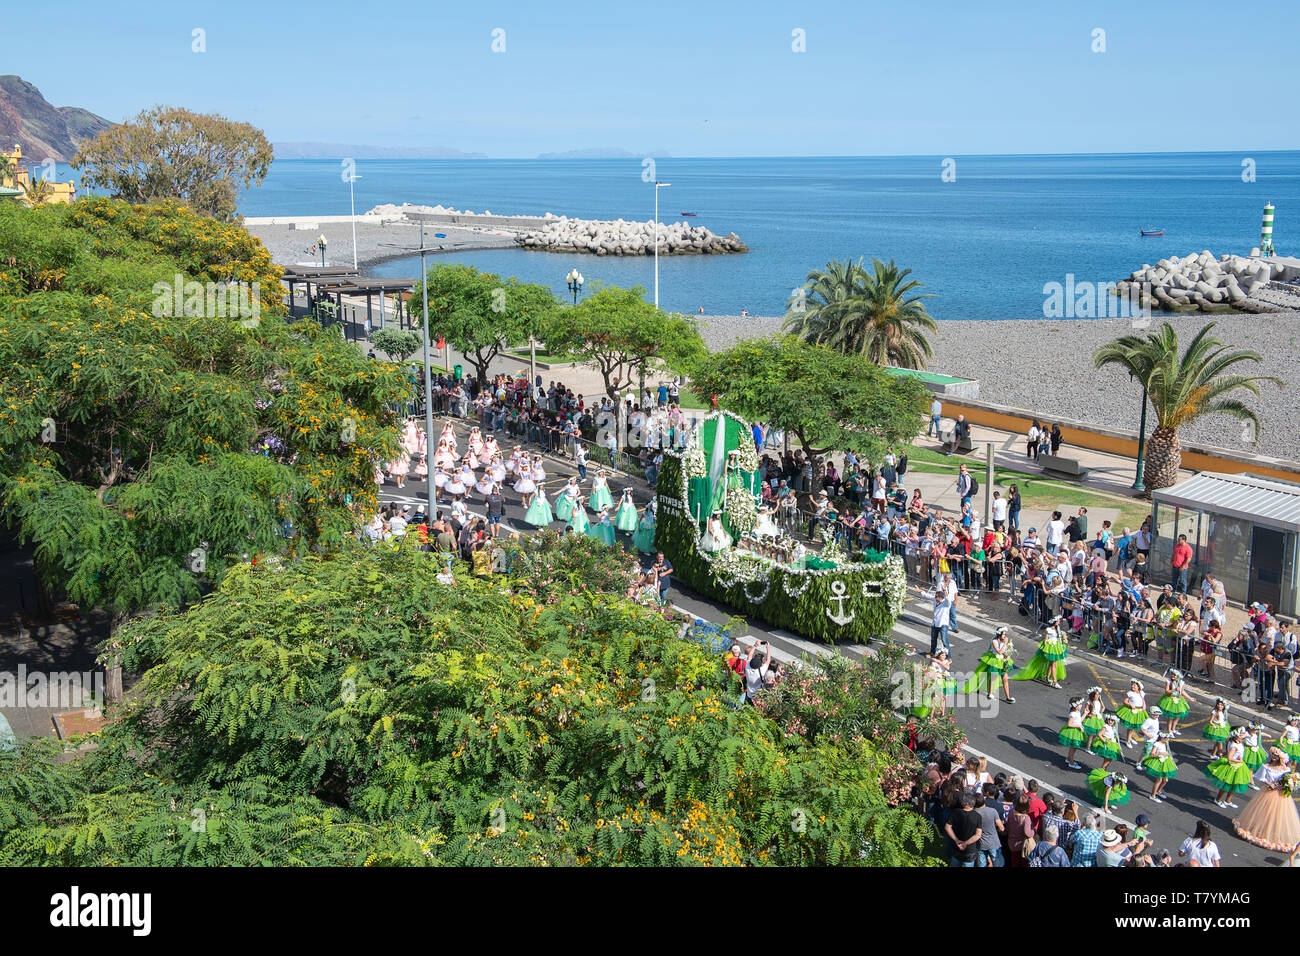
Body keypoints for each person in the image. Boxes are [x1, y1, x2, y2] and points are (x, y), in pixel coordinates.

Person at [1233, 749, 1300, 860]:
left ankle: (1274, 836)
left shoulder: (1286, 769)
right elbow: (1261, 777)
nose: (1273, 756)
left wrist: (1286, 786)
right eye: (1272, 754)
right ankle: (1260, 832)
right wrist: (1270, 784)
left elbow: (1289, 781)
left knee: (1279, 816)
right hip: (1268, 793)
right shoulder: (1266, 766)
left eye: (1276, 755)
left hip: (1281, 795)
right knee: (1263, 813)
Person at [961, 625, 1015, 702]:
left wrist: (1008, 655)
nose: (1005, 636)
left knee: (1005, 679)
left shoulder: (1004, 641)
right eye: (1003, 634)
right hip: (995, 661)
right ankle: (989, 693)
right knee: (993, 678)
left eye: (1005, 634)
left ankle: (1008, 697)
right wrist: (1005, 644)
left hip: (1003, 661)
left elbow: (1005, 652)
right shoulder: (994, 641)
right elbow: (999, 652)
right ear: (999, 634)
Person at [1140, 732, 1177, 803]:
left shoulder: (1165, 743)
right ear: (1161, 737)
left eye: (1168, 738)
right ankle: (1152, 796)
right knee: (1159, 780)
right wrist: (1160, 753)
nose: (1167, 739)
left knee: (1165, 780)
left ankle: (1158, 791)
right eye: (1166, 738)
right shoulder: (1157, 744)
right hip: (1159, 763)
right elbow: (1152, 754)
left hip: (1165, 762)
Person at [1117, 679, 1149, 749]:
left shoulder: (1141, 693)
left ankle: (1130, 738)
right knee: (1131, 727)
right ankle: (1128, 741)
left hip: (1139, 711)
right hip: (1132, 710)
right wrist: (1130, 705)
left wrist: (1144, 705)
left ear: (1138, 687)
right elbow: (1125, 701)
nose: (1132, 686)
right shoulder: (1130, 693)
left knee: (1134, 726)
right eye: (1132, 685)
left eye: (1134, 685)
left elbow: (1143, 700)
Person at [1060, 696, 1087, 769]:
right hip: (1073, 732)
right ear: (1076, 706)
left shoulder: (1077, 712)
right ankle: (1071, 763)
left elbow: (1079, 720)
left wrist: (1085, 713)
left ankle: (1068, 759)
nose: (1081, 705)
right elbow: (1070, 724)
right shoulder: (1073, 714)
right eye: (1080, 704)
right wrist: (1079, 726)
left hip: (1076, 731)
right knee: (1073, 748)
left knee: (1074, 748)